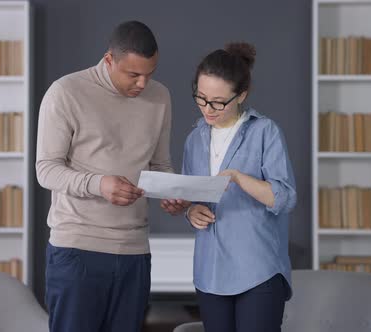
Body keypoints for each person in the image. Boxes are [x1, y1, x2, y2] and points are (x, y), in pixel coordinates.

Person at [35, 21, 182, 332]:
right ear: (109, 59)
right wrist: (98, 184)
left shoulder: (160, 97)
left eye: (150, 73)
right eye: (133, 75)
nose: (143, 84)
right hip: (77, 251)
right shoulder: (66, 92)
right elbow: (46, 169)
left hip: (134, 253)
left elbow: (160, 164)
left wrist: (172, 191)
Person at [181, 42, 297, 332]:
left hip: (257, 270)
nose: (208, 108)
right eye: (201, 98)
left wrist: (238, 177)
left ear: (241, 95)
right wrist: (190, 211)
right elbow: (191, 195)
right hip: (210, 271)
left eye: (218, 102)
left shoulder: (264, 131)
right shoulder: (194, 139)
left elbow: (284, 198)